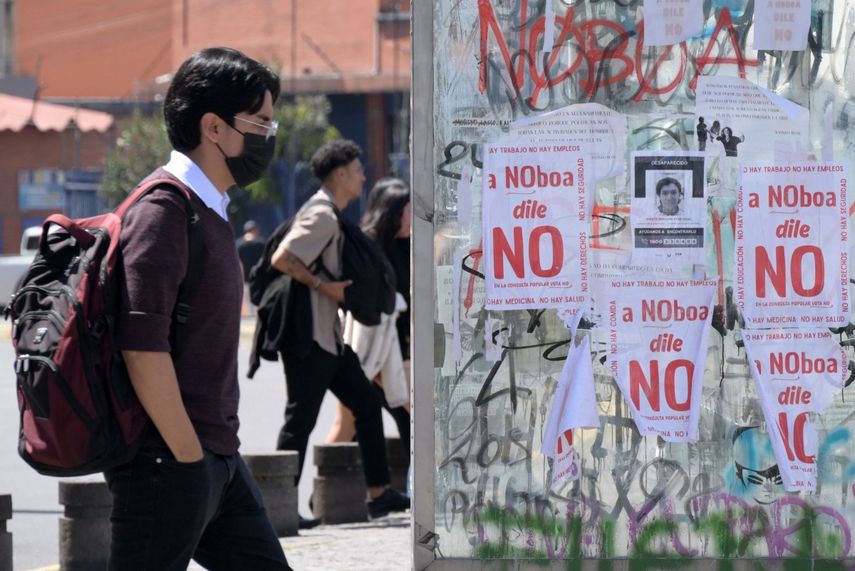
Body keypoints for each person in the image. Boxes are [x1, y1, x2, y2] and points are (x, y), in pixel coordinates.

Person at [106, 47, 291, 570]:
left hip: (216, 461)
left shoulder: (207, 208)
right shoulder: (164, 211)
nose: (268, 138)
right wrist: (188, 456)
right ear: (213, 127)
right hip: (166, 464)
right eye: (261, 122)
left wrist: (211, 458)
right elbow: (142, 348)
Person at [270, 140, 411, 521]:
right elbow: (282, 258)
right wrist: (323, 287)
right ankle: (277, 507)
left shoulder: (331, 211)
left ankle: (379, 493)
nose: (363, 176)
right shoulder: (321, 214)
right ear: (341, 175)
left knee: (366, 405)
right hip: (309, 338)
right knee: (300, 422)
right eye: (358, 170)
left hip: (330, 338)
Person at [326, 178, 412, 464]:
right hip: (367, 349)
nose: (411, 219)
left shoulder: (409, 246)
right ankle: (322, 491)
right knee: (347, 425)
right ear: (390, 212)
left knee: (405, 420)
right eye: (406, 211)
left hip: (398, 353)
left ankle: (332, 493)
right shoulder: (367, 246)